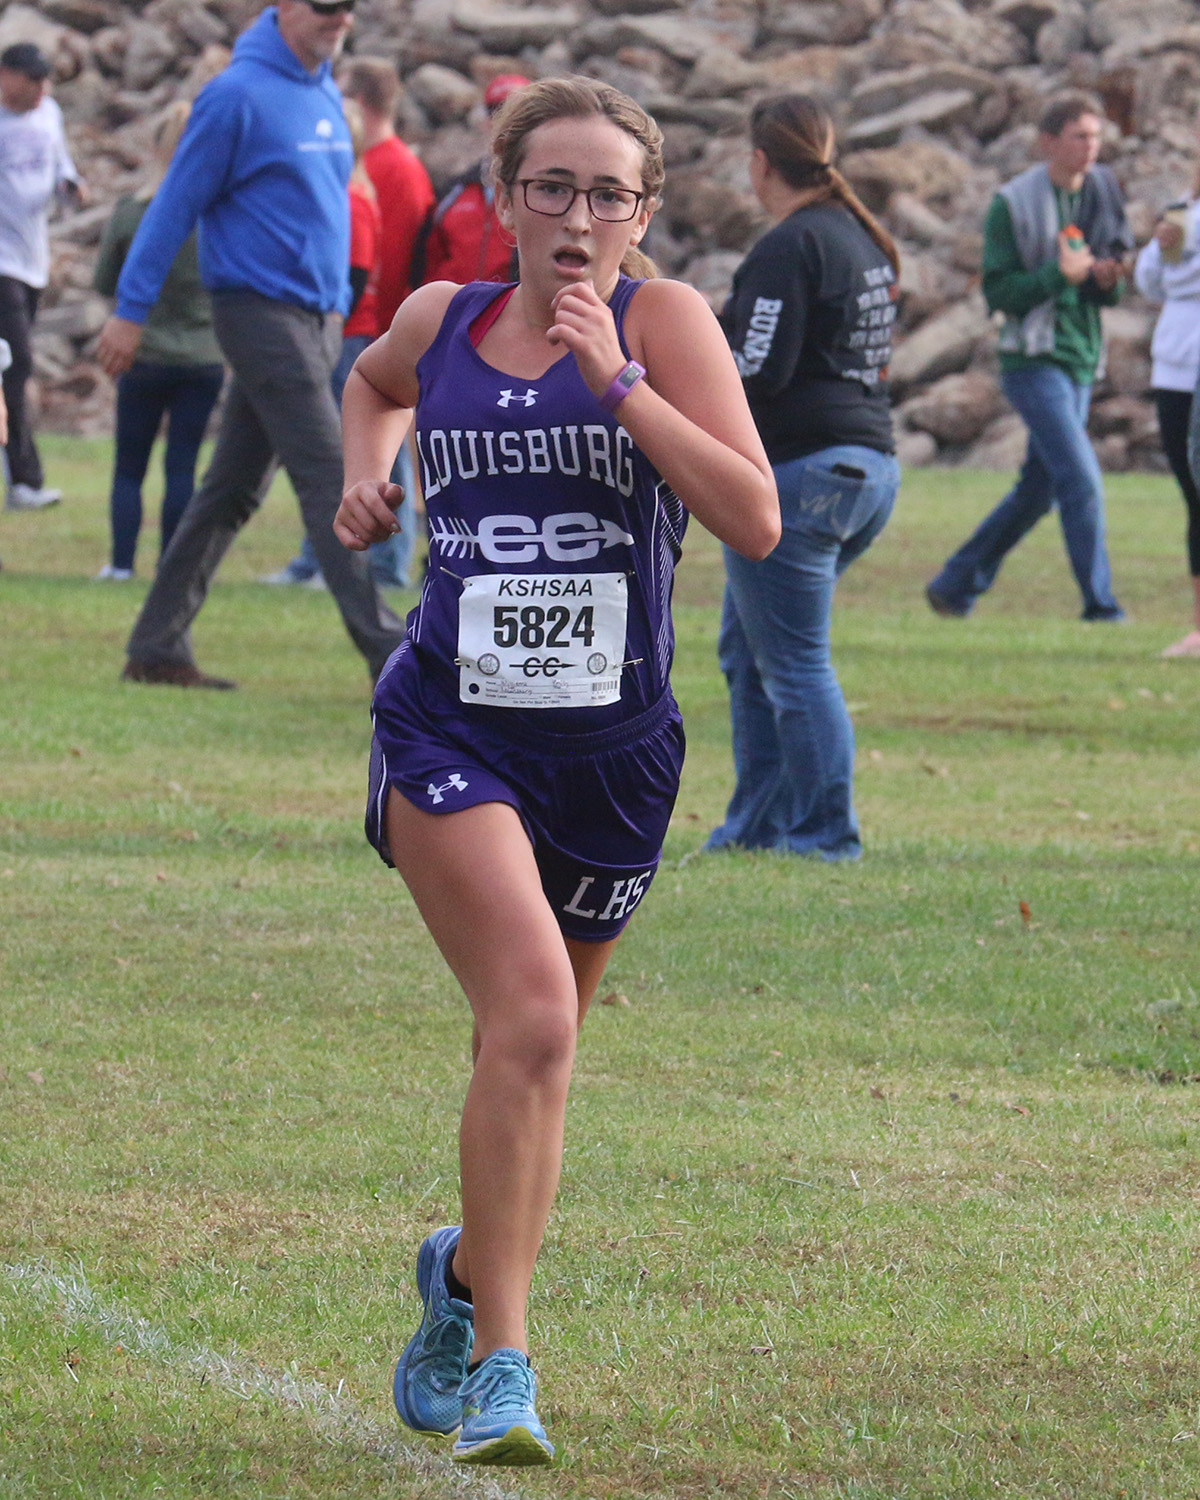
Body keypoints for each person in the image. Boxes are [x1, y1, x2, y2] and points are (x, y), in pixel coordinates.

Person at [333, 76, 779, 1465]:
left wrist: (621, 385)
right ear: (504, 195)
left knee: (536, 1051)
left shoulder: (668, 325)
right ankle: (505, 1364)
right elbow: (371, 381)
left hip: (616, 750)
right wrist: (369, 473)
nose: (577, 219)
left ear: (642, 213)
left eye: (608, 196)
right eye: (551, 189)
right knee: (529, 1018)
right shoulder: (444, 319)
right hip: (451, 728)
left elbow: (754, 518)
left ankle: (462, 1276)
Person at [96, 0, 404, 690]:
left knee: (229, 490)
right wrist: (131, 309)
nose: (340, 20)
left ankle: (156, 645)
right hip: (259, 312)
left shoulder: (324, 88)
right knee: (335, 476)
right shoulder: (234, 95)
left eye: (349, 9)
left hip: (319, 319)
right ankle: (393, 657)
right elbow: (173, 203)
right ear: (286, 7)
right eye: (327, 7)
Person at [704, 95, 900, 862]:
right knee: (749, 650)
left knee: (792, 662)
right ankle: (755, 830)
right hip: (868, 470)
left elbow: (755, 367)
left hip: (804, 480)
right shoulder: (860, 237)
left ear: (760, 163)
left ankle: (823, 835)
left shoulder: (790, 247)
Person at [926, 93, 1132, 623]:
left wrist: (1106, 279)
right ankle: (1101, 607)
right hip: (1031, 362)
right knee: (1081, 478)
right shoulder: (1011, 204)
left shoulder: (1104, 188)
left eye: (1096, 137)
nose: (1091, 148)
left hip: (1082, 355)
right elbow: (999, 294)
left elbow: (1109, 274)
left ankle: (954, 584)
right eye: (1079, 136)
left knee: (1038, 491)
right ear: (1048, 142)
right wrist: (1054, 278)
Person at [267, 55, 433, 590]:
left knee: (381, 443)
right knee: (336, 444)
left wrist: (391, 342)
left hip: (368, 329)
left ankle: (383, 562)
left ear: (357, 103)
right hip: (353, 326)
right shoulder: (362, 166)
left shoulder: (396, 169)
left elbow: (400, 258)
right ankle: (318, 555)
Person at [92, 102, 224, 581]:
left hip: (143, 351)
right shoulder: (217, 218)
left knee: (130, 465)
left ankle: (123, 563)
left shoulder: (132, 213)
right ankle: (173, 565)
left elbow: (106, 280)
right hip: (205, 355)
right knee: (182, 465)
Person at [0, 41, 85, 512]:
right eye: (32, 80)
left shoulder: (48, 113)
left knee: (11, 367)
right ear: (6, 76)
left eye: (45, 80)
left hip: (33, 258)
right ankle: (24, 480)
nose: (41, 89)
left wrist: (71, 186)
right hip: (1, 263)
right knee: (16, 366)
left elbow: (61, 165)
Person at [1136, 189, 1200, 658]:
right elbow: (1150, 283)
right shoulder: (1181, 206)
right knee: (1194, 495)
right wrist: (1161, 247)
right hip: (1179, 363)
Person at [413, 73, 529, 287]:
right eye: (496, 111)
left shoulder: (544, 193)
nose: (504, 121)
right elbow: (427, 258)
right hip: (453, 311)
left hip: (509, 312)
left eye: (518, 112)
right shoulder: (457, 190)